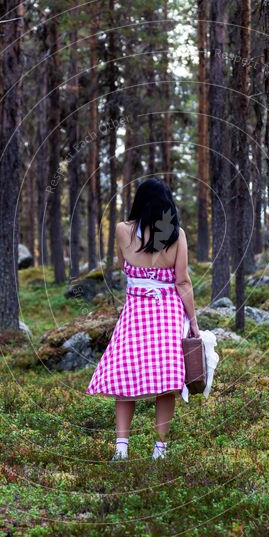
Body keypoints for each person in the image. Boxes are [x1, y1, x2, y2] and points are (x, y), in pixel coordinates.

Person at [87, 178, 200, 460]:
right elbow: (183, 283)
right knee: (167, 383)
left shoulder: (123, 231)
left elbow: (124, 266)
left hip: (136, 311)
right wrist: (194, 322)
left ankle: (121, 449)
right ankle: (160, 450)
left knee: (126, 377)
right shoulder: (177, 235)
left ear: (139, 202)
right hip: (168, 313)